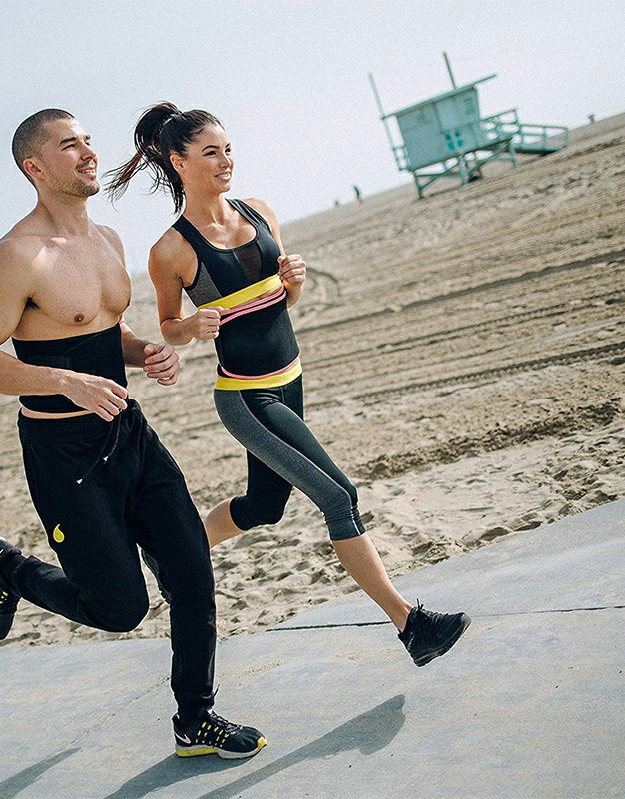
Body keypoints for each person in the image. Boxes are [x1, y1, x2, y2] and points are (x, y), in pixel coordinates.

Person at [105, 103, 471, 668]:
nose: (225, 162)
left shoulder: (260, 212)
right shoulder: (171, 250)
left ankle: (175, 556)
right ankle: (412, 625)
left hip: (291, 381)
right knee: (338, 497)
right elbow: (172, 327)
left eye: (228, 150)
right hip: (247, 398)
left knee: (263, 507)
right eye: (210, 153)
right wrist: (191, 329)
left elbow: (281, 302)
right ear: (178, 161)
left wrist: (293, 284)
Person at [0, 109, 265, 760]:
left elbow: (97, 335)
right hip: (64, 453)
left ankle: (194, 720)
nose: (89, 152)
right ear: (35, 168)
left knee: (191, 572)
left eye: (89, 140)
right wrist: (64, 383)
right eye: (70, 145)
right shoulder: (16, 255)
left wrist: (143, 350)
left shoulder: (108, 241)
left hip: (131, 435)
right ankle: (12, 568)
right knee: (120, 607)